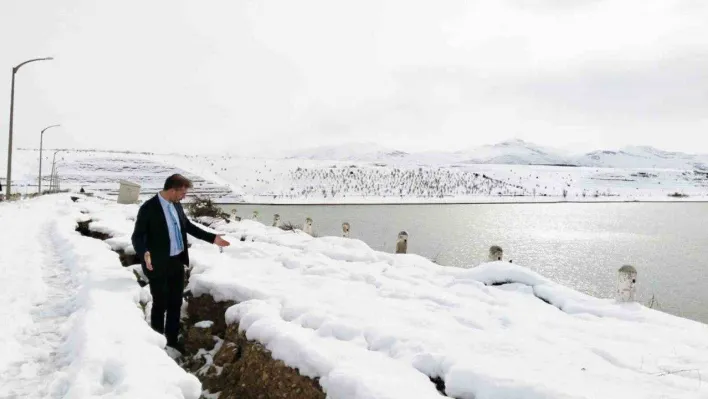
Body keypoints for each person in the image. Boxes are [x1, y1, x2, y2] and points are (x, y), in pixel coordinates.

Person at [131, 174, 230, 352]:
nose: (184, 196)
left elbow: (188, 226)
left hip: (177, 261)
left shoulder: (176, 205)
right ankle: (157, 343)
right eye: (182, 192)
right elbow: (137, 236)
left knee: (175, 303)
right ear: (172, 189)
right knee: (160, 303)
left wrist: (213, 238)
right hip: (157, 263)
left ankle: (172, 340)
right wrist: (144, 252)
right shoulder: (148, 208)